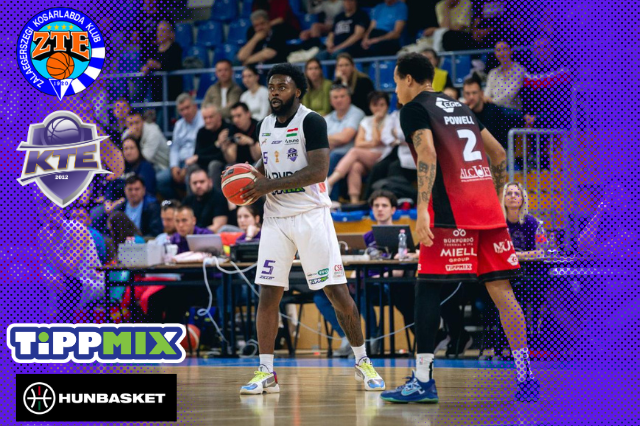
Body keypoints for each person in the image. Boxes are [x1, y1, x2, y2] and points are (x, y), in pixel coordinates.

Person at [381, 53, 538, 403]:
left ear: (409, 79)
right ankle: (526, 376)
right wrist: (495, 198)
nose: (395, 90)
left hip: (450, 213)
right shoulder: (460, 107)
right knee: (503, 292)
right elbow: (499, 154)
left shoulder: (413, 109)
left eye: (396, 82)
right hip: (489, 212)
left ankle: (423, 380)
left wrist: (421, 210)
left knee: (427, 288)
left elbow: (427, 155)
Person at [237, 63, 385, 394]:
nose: (275, 93)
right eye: (271, 87)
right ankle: (266, 371)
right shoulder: (264, 125)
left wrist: (266, 184)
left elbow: (318, 171)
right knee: (268, 293)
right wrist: (245, 177)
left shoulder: (312, 121)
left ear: (298, 91)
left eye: (282, 87)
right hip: (275, 218)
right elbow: (266, 162)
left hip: (311, 216)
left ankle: (363, 360)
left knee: (336, 292)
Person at [327, 91, 397, 204]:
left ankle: (330, 181)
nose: (378, 108)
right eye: (375, 105)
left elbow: (377, 140)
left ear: (387, 106)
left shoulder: (391, 120)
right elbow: (358, 143)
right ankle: (354, 201)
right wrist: (372, 143)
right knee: (355, 166)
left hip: (383, 156)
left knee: (354, 152)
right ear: (370, 106)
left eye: (382, 105)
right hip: (366, 156)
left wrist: (375, 123)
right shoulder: (365, 121)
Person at [462, 76, 533, 149]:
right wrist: (465, 113)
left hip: (497, 150)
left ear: (481, 93)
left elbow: (490, 139)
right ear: (463, 94)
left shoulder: (494, 111)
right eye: (467, 93)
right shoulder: (462, 113)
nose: (471, 97)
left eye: (474, 93)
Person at [157, 93, 204, 199]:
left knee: (190, 179)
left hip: (196, 162)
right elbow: (174, 148)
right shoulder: (179, 125)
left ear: (195, 106)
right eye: (182, 110)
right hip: (180, 163)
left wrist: (186, 168)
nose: (185, 112)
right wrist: (174, 166)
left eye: (187, 108)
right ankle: (178, 203)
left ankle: (191, 205)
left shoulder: (203, 120)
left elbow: (200, 149)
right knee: (160, 179)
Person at [324, 84, 365, 201]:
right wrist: (333, 140)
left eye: (342, 96)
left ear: (349, 98)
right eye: (335, 97)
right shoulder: (327, 118)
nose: (339, 100)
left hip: (351, 154)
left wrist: (329, 139)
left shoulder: (356, 113)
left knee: (333, 156)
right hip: (330, 151)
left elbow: (345, 138)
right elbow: (319, 140)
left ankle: (332, 200)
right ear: (331, 101)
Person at [141, 20, 183, 102]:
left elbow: (174, 65)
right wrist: (146, 68)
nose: (159, 33)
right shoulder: (153, 50)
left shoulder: (175, 48)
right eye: (158, 31)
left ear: (170, 33)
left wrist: (158, 66)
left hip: (172, 89)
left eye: (163, 31)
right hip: (157, 92)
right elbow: (148, 63)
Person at [104, 137, 158, 202]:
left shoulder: (146, 167)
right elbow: (111, 187)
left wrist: (120, 202)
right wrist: (108, 201)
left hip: (139, 203)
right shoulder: (121, 168)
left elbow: (145, 192)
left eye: (132, 148)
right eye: (126, 149)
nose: (128, 152)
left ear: (138, 149)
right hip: (116, 202)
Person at [193, 103, 231, 189]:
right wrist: (217, 144)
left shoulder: (227, 129)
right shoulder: (201, 131)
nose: (208, 121)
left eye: (211, 117)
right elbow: (197, 153)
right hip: (204, 164)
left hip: (223, 164)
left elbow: (221, 156)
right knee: (192, 167)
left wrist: (200, 157)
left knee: (214, 165)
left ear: (219, 116)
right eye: (205, 118)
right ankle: (193, 197)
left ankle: (216, 196)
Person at [182, 169, 230, 233]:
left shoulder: (219, 197)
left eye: (202, 182)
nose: (198, 185)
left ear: (210, 181)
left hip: (212, 237)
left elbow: (218, 227)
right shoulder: (187, 200)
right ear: (189, 184)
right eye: (194, 183)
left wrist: (195, 233)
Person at [484, 41, 526, 110]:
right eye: (498, 50)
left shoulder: (520, 71)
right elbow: (487, 92)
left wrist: (492, 101)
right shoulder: (493, 72)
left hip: (512, 110)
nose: (502, 53)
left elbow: (509, 95)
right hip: (494, 108)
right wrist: (486, 99)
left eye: (505, 49)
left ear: (511, 50)